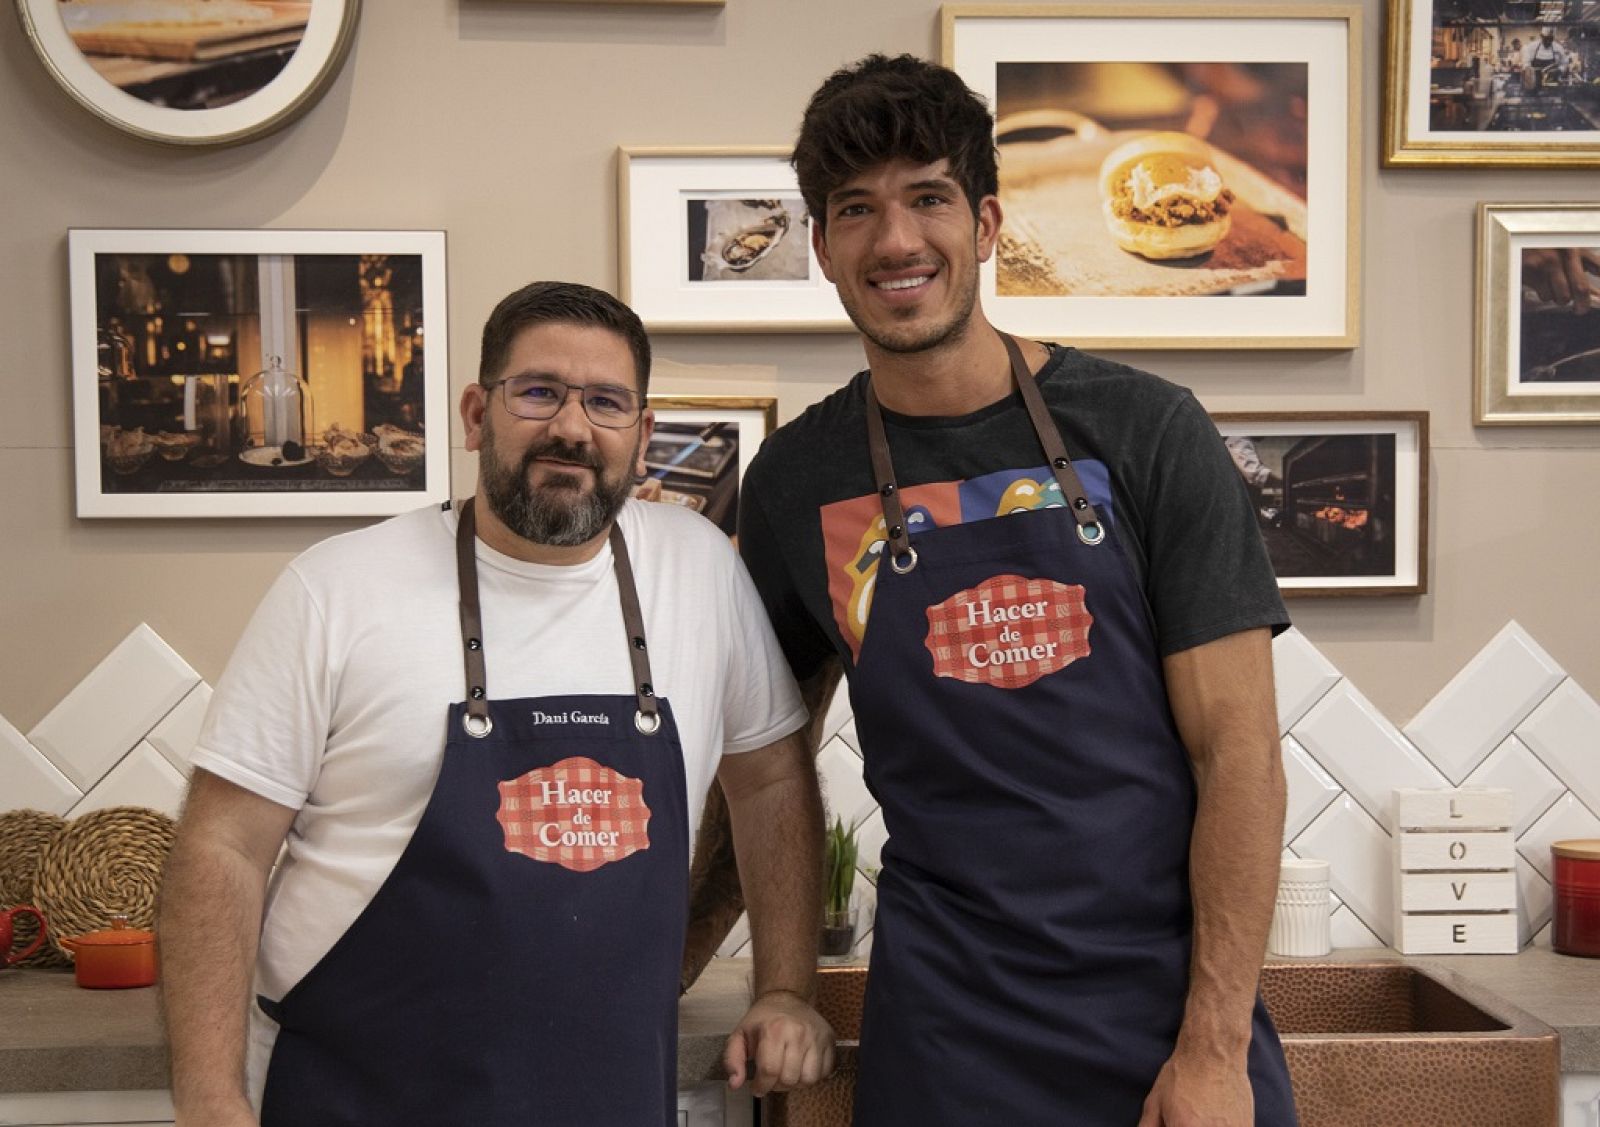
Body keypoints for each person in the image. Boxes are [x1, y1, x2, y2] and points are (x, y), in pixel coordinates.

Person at [693, 54, 1299, 1125]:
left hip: (1163, 1017)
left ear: (983, 222)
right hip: (947, 1031)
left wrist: (1212, 1048)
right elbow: (762, 767)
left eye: (926, 198)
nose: (895, 241)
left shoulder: (1146, 429)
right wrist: (756, 976)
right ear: (822, 246)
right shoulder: (798, 480)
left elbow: (1238, 751)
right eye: (855, 211)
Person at [158, 281, 834, 1127]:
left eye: (606, 402)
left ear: (644, 434)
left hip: (608, 1099)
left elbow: (771, 781)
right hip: (360, 1096)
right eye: (539, 391)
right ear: (478, 414)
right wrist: (210, 1098)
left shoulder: (700, 570)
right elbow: (222, 847)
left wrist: (784, 986)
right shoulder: (336, 589)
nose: (572, 428)